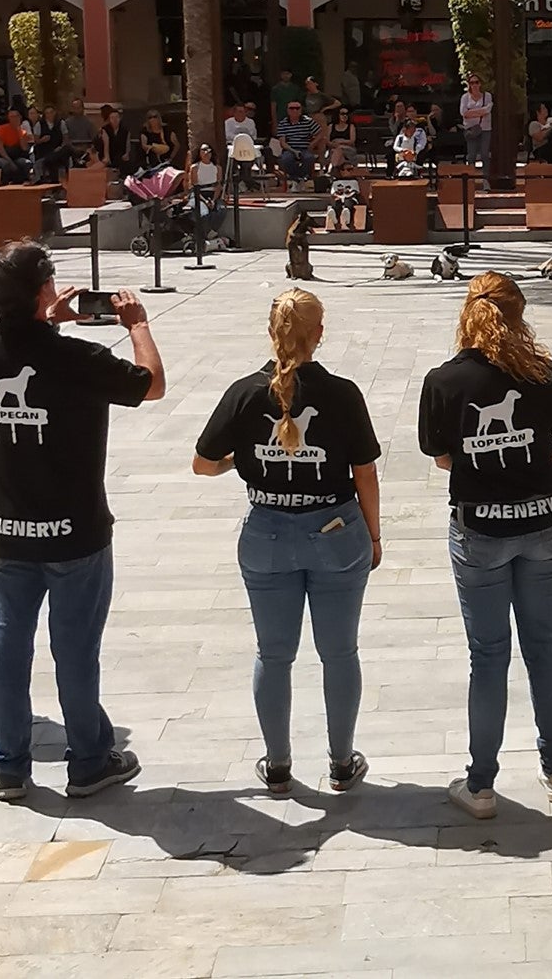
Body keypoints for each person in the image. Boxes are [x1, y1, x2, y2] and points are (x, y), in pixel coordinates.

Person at [0, 243, 162, 800]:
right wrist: (137, 324)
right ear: (45, 289)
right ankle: (89, 760)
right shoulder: (81, 358)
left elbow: (21, 350)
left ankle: (9, 762)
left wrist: (43, 322)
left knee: (7, 650)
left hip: (7, 530)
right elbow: (151, 383)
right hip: (75, 532)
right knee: (74, 653)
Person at [419, 273, 552, 819]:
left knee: (488, 655)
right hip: (542, 525)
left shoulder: (443, 381)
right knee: (544, 646)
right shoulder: (545, 374)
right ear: (520, 316)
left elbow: (442, 457)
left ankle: (480, 785)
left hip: (479, 530)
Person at [196, 289, 381, 795]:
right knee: (339, 653)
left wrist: (241, 461)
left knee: (273, 654)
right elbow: (364, 472)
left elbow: (203, 463)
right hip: (336, 532)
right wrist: (374, 534)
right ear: (319, 334)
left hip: (267, 533)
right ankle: (341, 762)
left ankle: (277, 764)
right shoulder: (342, 394)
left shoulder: (243, 393)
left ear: (271, 332)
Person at [274, 100, 322, 182]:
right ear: (288, 111)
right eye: (292, 108)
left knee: (309, 158)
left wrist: (313, 144)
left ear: (301, 110)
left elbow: (320, 133)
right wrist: (294, 151)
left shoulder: (308, 121)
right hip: (289, 149)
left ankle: (303, 176)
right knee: (286, 159)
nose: (294, 110)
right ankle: (295, 177)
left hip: (305, 148)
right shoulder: (283, 123)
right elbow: (282, 142)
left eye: (297, 108)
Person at [461, 77, 494, 178]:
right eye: (472, 83)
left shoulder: (487, 96)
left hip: (485, 129)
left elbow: (488, 110)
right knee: (471, 155)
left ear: (480, 84)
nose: (474, 85)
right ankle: (470, 180)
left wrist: (471, 112)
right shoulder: (465, 97)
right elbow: (464, 113)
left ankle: (486, 179)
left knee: (485, 154)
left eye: (476, 82)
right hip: (471, 129)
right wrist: (481, 111)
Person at [0, 107, 31, 184]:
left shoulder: (23, 132)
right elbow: (0, 148)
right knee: (6, 164)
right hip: (1, 156)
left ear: (20, 117)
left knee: (26, 163)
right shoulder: (1, 129)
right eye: (12, 117)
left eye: (16, 116)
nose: (14, 119)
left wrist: (19, 132)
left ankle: (20, 182)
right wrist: (10, 161)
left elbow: (24, 148)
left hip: (16, 157)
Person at [95, 105, 137, 177]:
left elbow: (127, 144)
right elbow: (106, 144)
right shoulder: (105, 130)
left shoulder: (125, 130)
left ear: (120, 118)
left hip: (120, 155)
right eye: (112, 118)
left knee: (127, 165)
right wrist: (107, 157)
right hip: (109, 154)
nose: (115, 120)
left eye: (117, 117)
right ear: (109, 119)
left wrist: (127, 154)